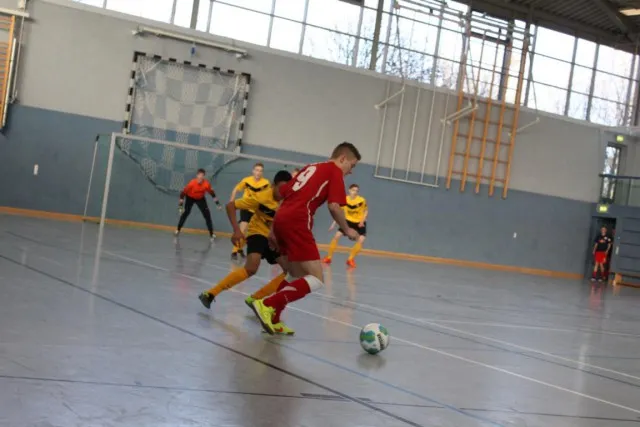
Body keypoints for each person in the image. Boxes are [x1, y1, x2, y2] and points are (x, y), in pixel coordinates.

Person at [251, 142, 361, 335]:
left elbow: (283, 195)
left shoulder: (311, 167)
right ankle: (267, 304)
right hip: (298, 221)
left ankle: (274, 319)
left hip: (282, 219)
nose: (351, 171)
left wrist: (273, 229)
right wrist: (347, 229)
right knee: (316, 278)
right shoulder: (334, 171)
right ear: (342, 158)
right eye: (351, 166)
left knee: (295, 275)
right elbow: (334, 206)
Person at [197, 170, 296, 335]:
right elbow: (231, 206)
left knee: (291, 272)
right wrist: (237, 230)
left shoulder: (289, 200)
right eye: (280, 189)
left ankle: (255, 299)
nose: (282, 193)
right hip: (258, 233)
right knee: (251, 268)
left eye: (286, 190)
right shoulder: (261, 197)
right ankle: (210, 293)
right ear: (273, 185)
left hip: (275, 238)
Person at [229, 163, 270, 260]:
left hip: (256, 210)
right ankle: (234, 251)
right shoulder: (247, 180)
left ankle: (240, 249)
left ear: (262, 173)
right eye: (257, 170)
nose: (258, 172)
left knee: (250, 233)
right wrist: (231, 201)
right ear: (253, 171)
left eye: (260, 171)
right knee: (242, 229)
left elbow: (269, 196)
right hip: (246, 207)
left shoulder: (266, 183)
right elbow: (236, 189)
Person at [323, 184, 368, 268]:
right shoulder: (345, 200)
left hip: (359, 222)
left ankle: (350, 259)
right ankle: (328, 257)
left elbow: (365, 211)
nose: (355, 192)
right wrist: (333, 224)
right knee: (336, 236)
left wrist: (362, 221)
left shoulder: (361, 200)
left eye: (357, 191)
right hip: (348, 221)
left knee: (361, 240)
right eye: (353, 190)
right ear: (349, 190)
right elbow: (339, 213)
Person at [175, 168, 222, 240]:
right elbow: (182, 194)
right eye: (199, 175)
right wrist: (180, 207)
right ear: (197, 176)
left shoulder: (206, 184)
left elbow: (213, 194)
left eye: (202, 175)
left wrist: (218, 204)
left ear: (203, 177)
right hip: (190, 198)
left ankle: (212, 234)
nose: (200, 177)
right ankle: (178, 230)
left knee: (207, 215)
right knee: (186, 213)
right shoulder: (191, 183)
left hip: (200, 199)